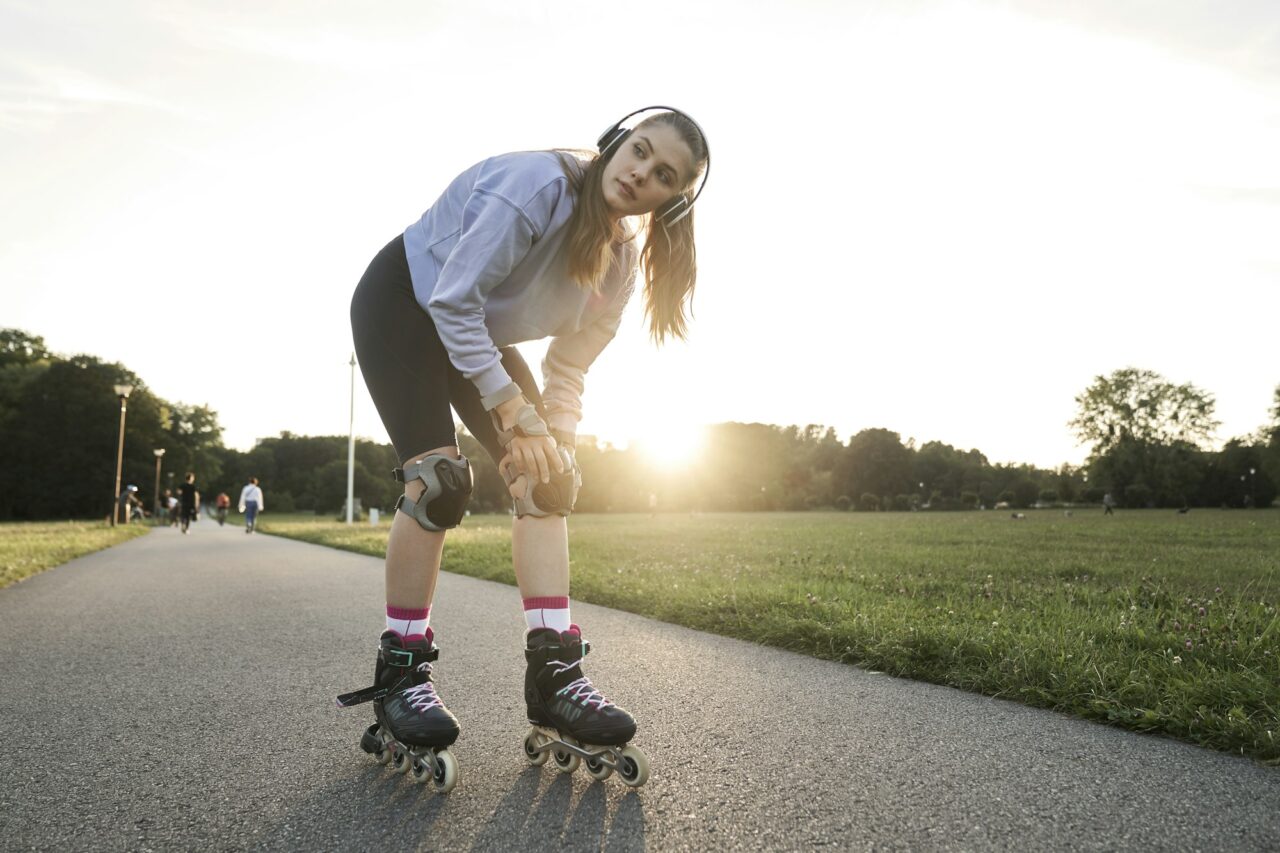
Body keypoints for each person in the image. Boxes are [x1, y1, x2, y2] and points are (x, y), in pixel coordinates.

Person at [337, 107, 709, 790]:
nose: (639, 173)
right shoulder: (537, 186)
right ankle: (402, 674)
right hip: (407, 302)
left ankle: (556, 677)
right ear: (614, 143)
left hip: (473, 328)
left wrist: (554, 443)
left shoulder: (619, 264)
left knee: (547, 485)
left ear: (670, 199)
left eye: (662, 174)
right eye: (639, 151)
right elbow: (452, 302)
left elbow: (569, 368)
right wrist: (512, 409)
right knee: (442, 483)